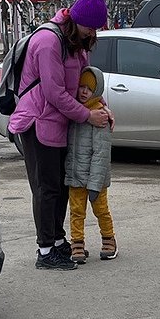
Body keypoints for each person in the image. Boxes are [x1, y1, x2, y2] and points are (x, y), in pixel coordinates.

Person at [8, 0, 113, 271]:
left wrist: (100, 105)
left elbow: (84, 83)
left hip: (60, 124)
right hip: (37, 123)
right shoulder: (47, 41)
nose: (92, 33)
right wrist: (87, 116)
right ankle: (45, 251)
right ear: (76, 20)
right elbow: (54, 93)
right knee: (46, 189)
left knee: (61, 187)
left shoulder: (76, 43)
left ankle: (57, 241)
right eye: (90, 27)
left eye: (95, 29)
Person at [65, 67, 116, 263]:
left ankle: (109, 238)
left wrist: (95, 184)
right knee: (76, 211)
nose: (84, 91)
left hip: (96, 179)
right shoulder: (76, 113)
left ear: (97, 90)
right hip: (75, 175)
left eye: (89, 88)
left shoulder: (100, 116)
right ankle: (77, 243)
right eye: (81, 87)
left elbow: (101, 155)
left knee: (101, 209)